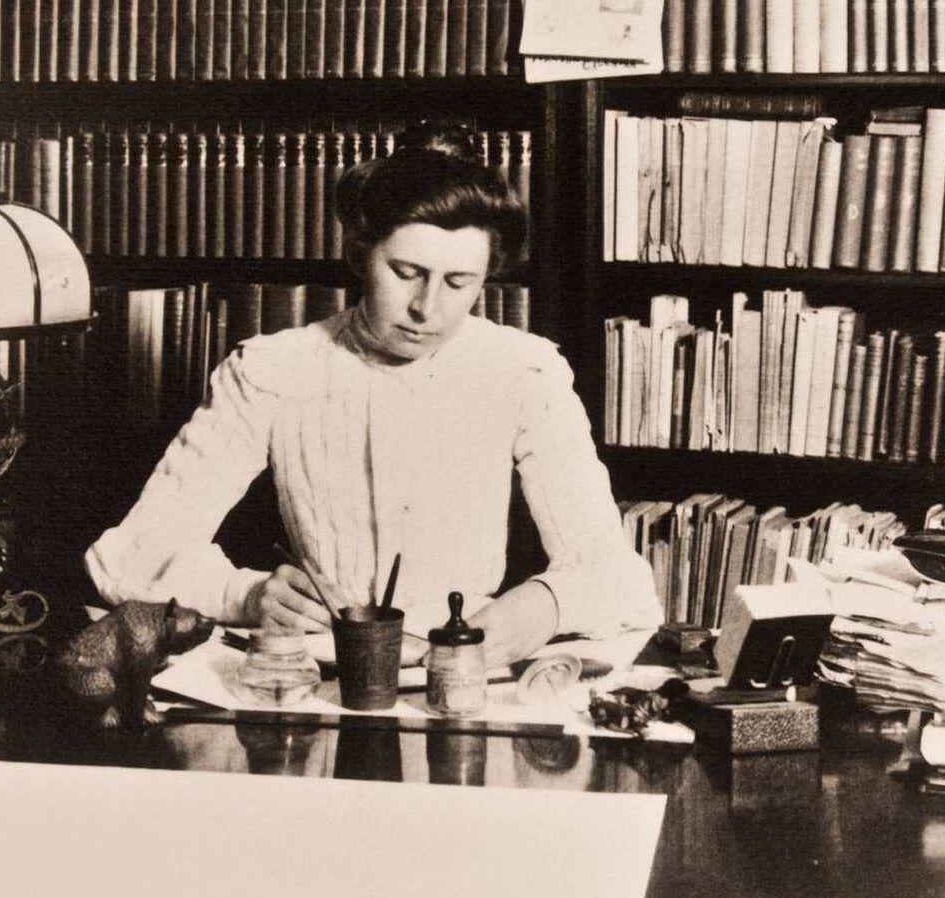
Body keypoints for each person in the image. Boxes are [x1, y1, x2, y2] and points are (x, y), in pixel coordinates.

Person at [85, 122, 660, 666]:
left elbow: (615, 574)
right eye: (406, 271)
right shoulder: (272, 370)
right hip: (316, 671)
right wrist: (247, 594)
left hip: (467, 673)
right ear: (362, 255)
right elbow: (133, 552)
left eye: (459, 283)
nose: (426, 308)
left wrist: (545, 603)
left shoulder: (525, 372)